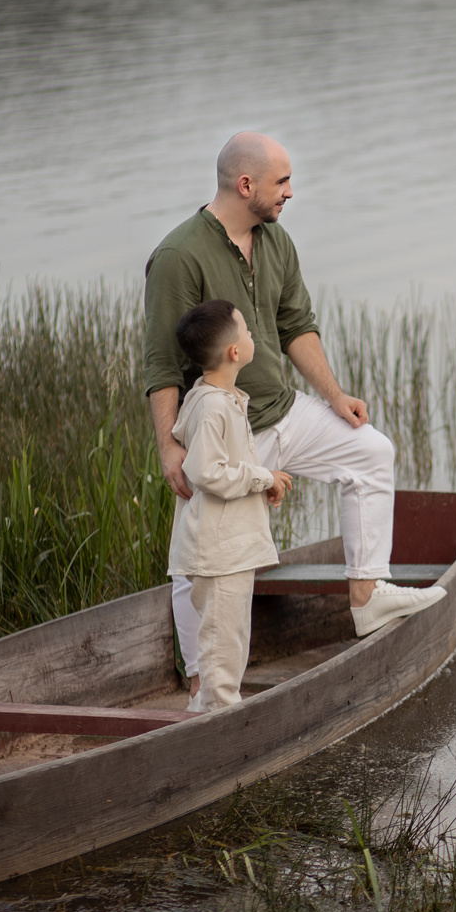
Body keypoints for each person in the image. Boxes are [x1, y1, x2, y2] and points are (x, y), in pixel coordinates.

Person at [144, 131, 442, 700]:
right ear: (246, 183)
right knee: (198, 566)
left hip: (285, 412)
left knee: (372, 452)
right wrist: (169, 447)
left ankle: (366, 596)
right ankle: (203, 681)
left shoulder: (276, 241)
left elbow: (295, 324)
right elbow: (160, 363)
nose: (289, 193)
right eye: (282, 181)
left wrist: (332, 396)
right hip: (224, 436)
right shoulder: (179, 256)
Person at [166, 300, 292, 712]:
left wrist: (264, 483)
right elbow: (207, 471)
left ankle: (211, 714)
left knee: (230, 641)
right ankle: (219, 730)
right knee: (222, 652)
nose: (253, 335)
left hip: (231, 550)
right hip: (220, 555)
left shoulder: (224, 398)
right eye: (248, 331)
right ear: (234, 352)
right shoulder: (214, 406)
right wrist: (263, 477)